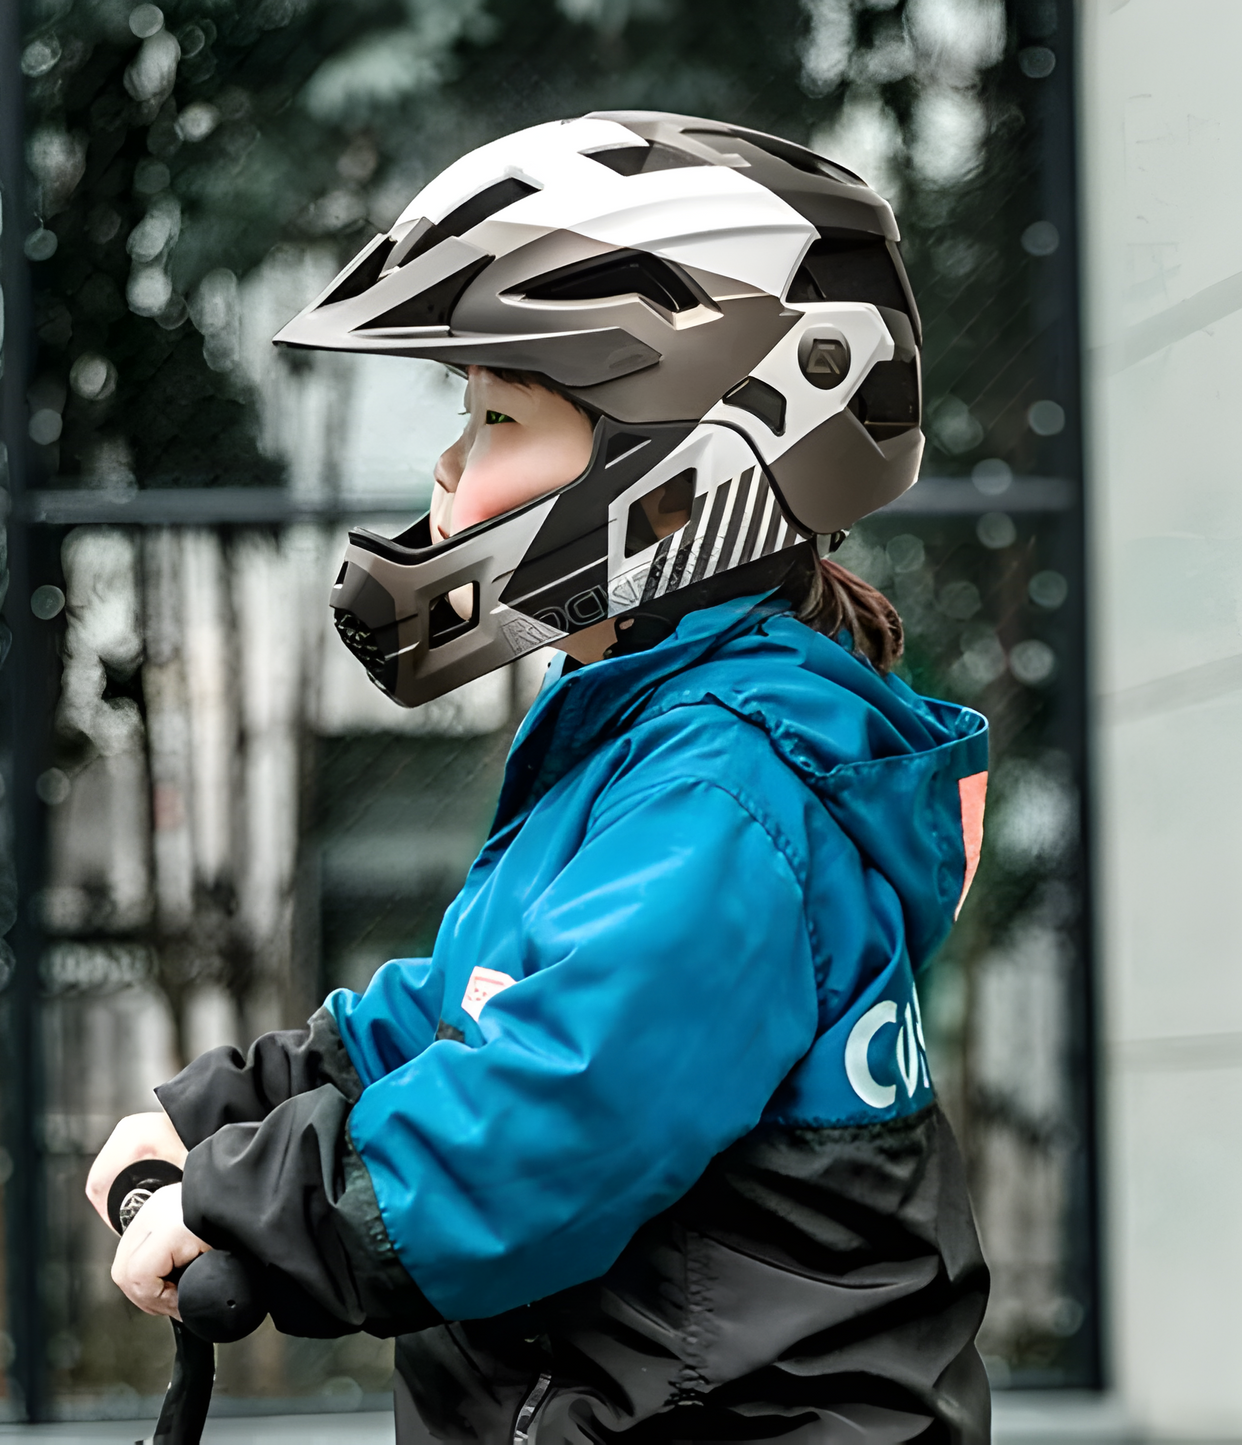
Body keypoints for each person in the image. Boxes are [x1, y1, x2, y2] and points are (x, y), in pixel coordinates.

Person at [87, 112, 992, 1445]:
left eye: (497, 415)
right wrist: (246, 1100)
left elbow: (551, 1121)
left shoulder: (729, 796)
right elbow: (484, 1003)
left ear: (680, 482)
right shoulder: (634, 736)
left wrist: (246, 1202)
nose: (447, 472)